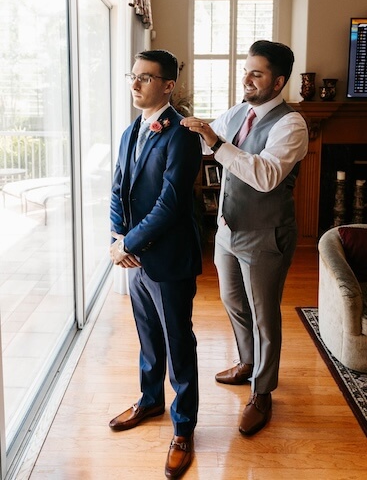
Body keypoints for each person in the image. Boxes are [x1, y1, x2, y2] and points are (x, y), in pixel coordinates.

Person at [181, 40, 309, 436]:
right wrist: (179, 125)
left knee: (265, 316)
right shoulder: (239, 112)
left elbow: (266, 175)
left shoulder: (292, 124)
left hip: (265, 233)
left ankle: (263, 393)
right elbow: (207, 139)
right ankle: (248, 363)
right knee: (233, 303)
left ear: (279, 81)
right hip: (227, 228)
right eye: (246, 70)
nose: (247, 79)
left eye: (257, 73)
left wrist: (217, 142)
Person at [109, 49, 202, 478]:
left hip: (168, 260)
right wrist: (117, 239)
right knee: (148, 338)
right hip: (136, 259)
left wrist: (131, 240)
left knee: (178, 343)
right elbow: (118, 188)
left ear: (168, 85)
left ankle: (184, 428)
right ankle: (150, 401)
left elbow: (170, 204)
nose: (135, 84)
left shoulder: (181, 135)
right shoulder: (133, 130)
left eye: (145, 78)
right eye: (134, 76)